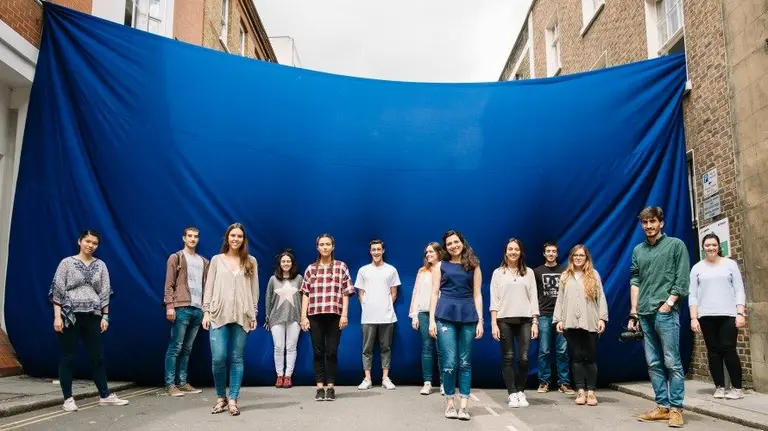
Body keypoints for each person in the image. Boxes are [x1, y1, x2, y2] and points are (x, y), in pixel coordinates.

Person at [49, 229, 130, 412]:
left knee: (97, 357)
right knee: (68, 357)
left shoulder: (100, 265)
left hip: (93, 315)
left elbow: (104, 292)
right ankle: (68, 399)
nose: (90, 245)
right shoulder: (67, 263)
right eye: (87, 241)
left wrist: (106, 316)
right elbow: (58, 291)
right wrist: (57, 317)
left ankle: (105, 395)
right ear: (80, 241)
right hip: (70, 315)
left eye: (94, 243)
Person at [628, 206, 690, 427]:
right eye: (644, 223)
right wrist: (633, 313)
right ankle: (662, 406)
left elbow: (682, 279)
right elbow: (635, 280)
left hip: (666, 312)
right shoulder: (638, 250)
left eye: (652, 222)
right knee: (653, 363)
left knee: (672, 362)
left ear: (661, 223)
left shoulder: (676, 245)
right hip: (644, 313)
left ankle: (676, 408)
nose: (648, 226)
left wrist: (669, 304)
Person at [203, 223, 259, 416]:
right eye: (233, 235)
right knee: (218, 358)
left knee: (236, 358)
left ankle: (233, 399)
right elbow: (208, 287)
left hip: (242, 315)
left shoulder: (251, 261)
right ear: (227, 237)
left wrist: (253, 314)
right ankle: (221, 397)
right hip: (219, 314)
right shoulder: (217, 260)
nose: (236, 239)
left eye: (240, 236)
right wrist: (206, 312)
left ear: (244, 240)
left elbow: (254, 290)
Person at [429, 230, 483, 421]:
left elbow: (477, 294)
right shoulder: (440, 266)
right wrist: (431, 320)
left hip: (468, 315)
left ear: (462, 242)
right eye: (449, 243)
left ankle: (464, 407)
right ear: (446, 247)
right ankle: (450, 403)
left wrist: (480, 321)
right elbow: (434, 293)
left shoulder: (474, 265)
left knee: (465, 362)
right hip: (445, 316)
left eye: (456, 242)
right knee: (450, 362)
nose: (453, 245)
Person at [689, 233, 746, 400]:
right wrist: (694, 317)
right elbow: (692, 294)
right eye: (707, 245)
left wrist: (740, 312)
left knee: (728, 349)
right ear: (703, 247)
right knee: (713, 352)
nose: (711, 248)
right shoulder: (697, 268)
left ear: (718, 246)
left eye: (714, 245)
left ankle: (737, 388)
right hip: (706, 315)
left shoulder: (730, 264)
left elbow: (739, 289)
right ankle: (719, 387)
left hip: (728, 314)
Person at [300, 233, 355, 402]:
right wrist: (303, 316)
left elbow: (346, 292)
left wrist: (344, 314)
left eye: (328, 244)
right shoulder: (310, 269)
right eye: (322, 244)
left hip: (334, 315)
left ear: (333, 246)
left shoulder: (341, 267)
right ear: (317, 247)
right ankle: (319, 387)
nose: (325, 247)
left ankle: (330, 387)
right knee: (318, 351)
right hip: (315, 315)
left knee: (331, 351)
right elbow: (305, 294)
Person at [554, 245, 608, 406]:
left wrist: (602, 318)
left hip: (590, 321)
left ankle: (591, 392)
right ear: (571, 258)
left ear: (586, 258)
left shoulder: (593, 275)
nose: (578, 258)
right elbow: (560, 300)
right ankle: (580, 391)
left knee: (589, 358)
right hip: (570, 322)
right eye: (575, 255)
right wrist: (559, 319)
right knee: (576, 358)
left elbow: (601, 297)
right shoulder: (565, 276)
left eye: (581, 255)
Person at [490, 238, 538, 408]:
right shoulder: (498, 273)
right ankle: (512, 394)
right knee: (508, 357)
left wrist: (535, 322)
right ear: (505, 252)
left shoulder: (529, 272)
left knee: (524, 358)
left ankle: (521, 392)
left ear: (521, 252)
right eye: (510, 249)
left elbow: (534, 298)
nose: (513, 252)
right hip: (504, 320)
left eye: (516, 249)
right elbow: (494, 300)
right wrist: (494, 324)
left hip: (525, 319)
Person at [163, 226, 209, 397]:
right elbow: (169, 283)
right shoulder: (176, 258)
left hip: (198, 308)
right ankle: (170, 384)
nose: (192, 239)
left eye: (195, 236)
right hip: (181, 306)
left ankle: (182, 382)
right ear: (184, 238)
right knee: (175, 347)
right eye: (189, 236)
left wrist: (206, 309)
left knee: (187, 348)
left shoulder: (205, 262)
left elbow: (207, 286)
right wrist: (170, 305)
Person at [355, 239, 401, 391]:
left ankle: (385, 378)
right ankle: (367, 379)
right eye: (373, 249)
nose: (376, 252)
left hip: (387, 317)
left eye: (378, 249)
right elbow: (360, 293)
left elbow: (394, 294)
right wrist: (367, 306)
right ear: (370, 251)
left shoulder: (391, 270)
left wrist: (385, 306)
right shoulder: (363, 270)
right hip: (368, 317)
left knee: (386, 348)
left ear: (383, 251)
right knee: (367, 348)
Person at [533, 241, 573, 395]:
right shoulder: (537, 272)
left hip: (562, 316)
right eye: (548, 251)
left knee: (562, 350)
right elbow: (534, 295)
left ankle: (564, 383)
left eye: (553, 251)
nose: (550, 254)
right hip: (544, 315)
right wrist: (535, 318)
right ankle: (544, 382)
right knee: (544, 350)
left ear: (557, 253)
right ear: (544, 254)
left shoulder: (565, 271)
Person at [408, 242, 444, 395]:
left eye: (431, 252)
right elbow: (416, 292)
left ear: (439, 253)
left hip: (442, 314)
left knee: (442, 349)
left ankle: (444, 383)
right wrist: (414, 315)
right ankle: (427, 382)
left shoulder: (446, 269)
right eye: (426, 252)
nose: (428, 254)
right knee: (427, 347)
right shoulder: (422, 271)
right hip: (423, 313)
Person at [265, 249, 303, 389]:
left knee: (291, 347)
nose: (286, 263)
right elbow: (268, 298)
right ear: (279, 263)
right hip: (276, 318)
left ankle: (288, 376)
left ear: (292, 263)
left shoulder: (299, 278)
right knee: (279, 347)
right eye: (283, 261)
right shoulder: (273, 279)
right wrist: (268, 317)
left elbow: (305, 297)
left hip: (295, 317)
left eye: (288, 261)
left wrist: (303, 317)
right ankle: (279, 375)